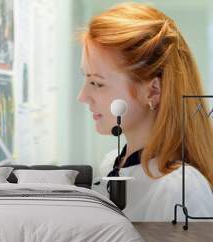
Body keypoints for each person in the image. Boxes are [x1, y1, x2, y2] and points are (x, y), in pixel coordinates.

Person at [77, 2, 213, 221]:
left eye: (97, 83)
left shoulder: (180, 190)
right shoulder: (112, 164)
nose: (82, 96)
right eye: (86, 78)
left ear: (153, 91)